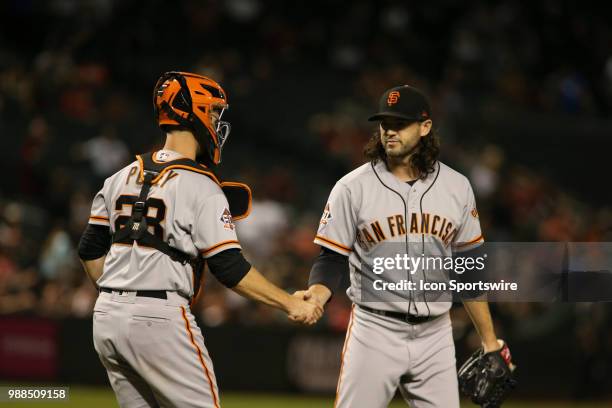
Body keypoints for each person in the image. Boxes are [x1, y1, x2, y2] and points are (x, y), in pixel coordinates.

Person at [77, 71, 322, 408]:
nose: (216, 121)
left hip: (106, 317)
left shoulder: (119, 177)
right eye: (213, 111)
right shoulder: (201, 184)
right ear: (191, 113)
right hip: (159, 317)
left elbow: (89, 250)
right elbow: (229, 267)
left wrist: (117, 294)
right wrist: (290, 303)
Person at [295, 85, 513, 407]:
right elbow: (331, 258)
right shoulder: (352, 188)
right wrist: (317, 294)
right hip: (374, 330)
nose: (389, 131)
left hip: (436, 334)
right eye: (385, 123)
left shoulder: (456, 187)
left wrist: (489, 340)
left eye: (400, 124)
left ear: (425, 127)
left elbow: (469, 269)